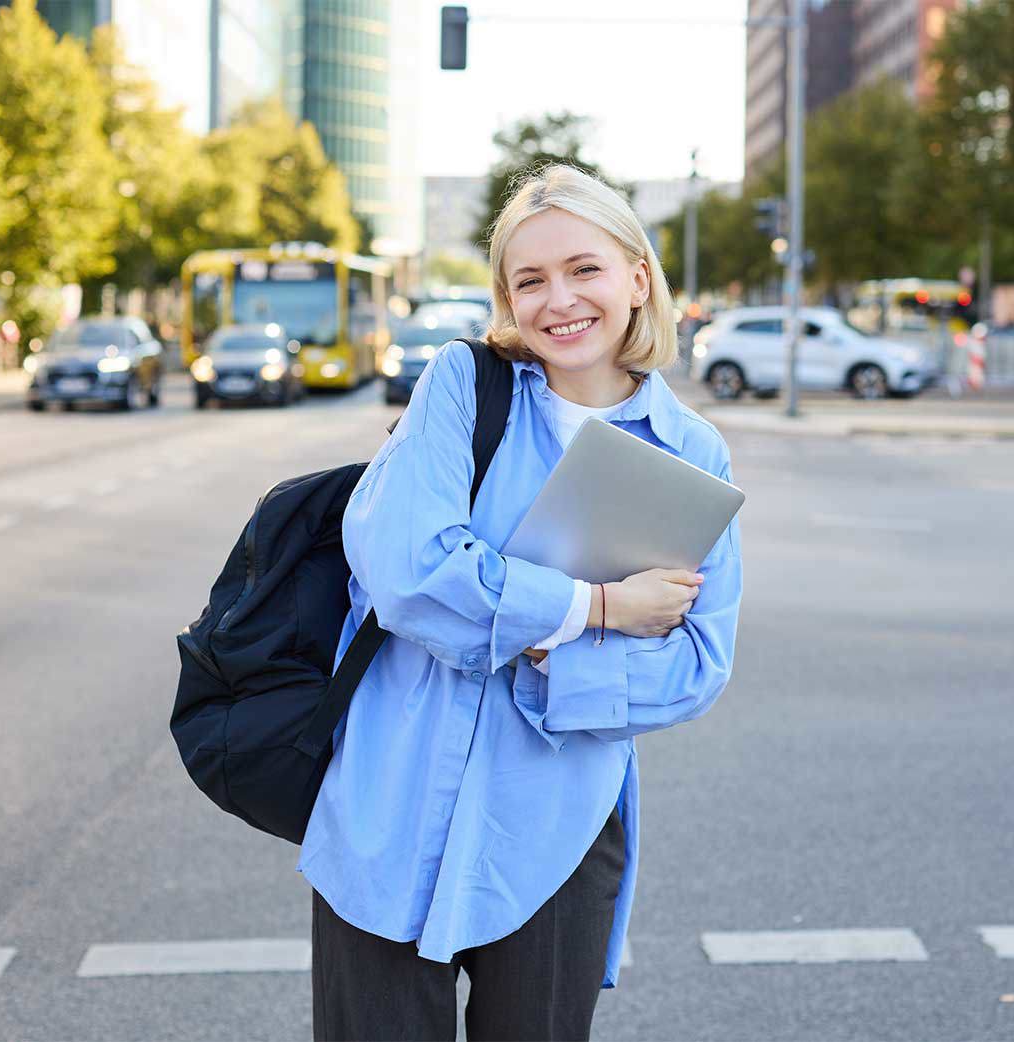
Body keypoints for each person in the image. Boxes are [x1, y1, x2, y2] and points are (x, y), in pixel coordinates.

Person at [304, 164, 744, 1041]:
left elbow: (696, 665)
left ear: (636, 277)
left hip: (555, 837)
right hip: (386, 816)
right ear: (505, 297)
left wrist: (545, 662)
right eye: (529, 279)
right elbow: (411, 574)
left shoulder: (691, 451)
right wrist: (597, 610)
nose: (559, 300)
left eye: (584, 268)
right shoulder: (462, 387)